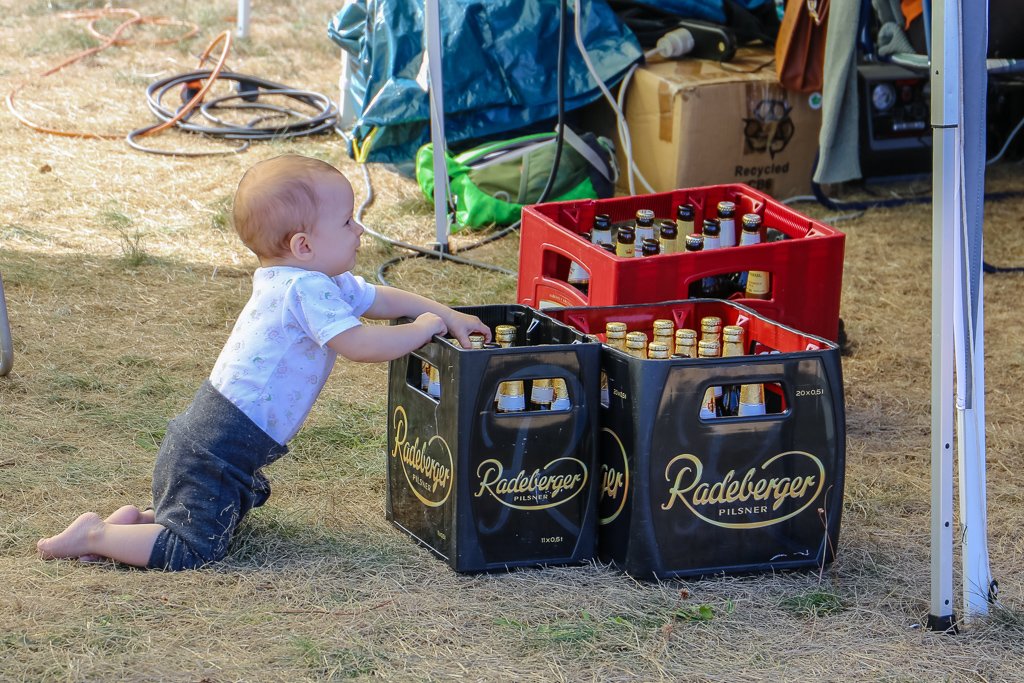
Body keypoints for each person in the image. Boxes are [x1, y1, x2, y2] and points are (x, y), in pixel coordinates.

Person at [37, 154, 491, 570]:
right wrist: (423, 328)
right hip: (217, 444)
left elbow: (377, 298)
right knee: (191, 550)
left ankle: (132, 523)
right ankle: (96, 533)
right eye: (348, 221)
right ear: (304, 244)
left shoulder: (309, 279)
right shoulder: (303, 289)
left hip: (220, 439)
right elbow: (360, 344)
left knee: (214, 517)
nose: (360, 231)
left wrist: (447, 314)